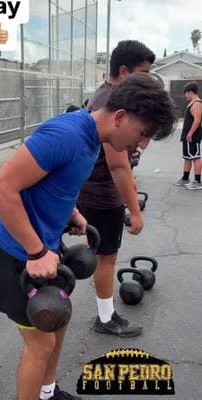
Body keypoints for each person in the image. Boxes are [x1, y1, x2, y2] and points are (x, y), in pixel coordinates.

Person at [0, 73, 176, 400]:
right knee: (40, 342)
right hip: (15, 254)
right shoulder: (66, 135)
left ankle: (47, 393)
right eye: (143, 134)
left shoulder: (93, 139)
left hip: (45, 248)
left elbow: (57, 184)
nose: (142, 145)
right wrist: (35, 251)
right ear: (119, 117)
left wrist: (70, 213)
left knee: (59, 322)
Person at [77, 40, 156, 338]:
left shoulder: (104, 94)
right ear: (124, 71)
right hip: (100, 193)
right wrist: (135, 211)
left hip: (90, 189)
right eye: (143, 72)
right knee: (107, 256)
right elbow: (117, 165)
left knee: (101, 253)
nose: (147, 78)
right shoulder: (112, 102)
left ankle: (104, 312)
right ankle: (106, 318)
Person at [173, 81, 202, 190]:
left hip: (193, 136)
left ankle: (198, 181)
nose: (185, 96)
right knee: (188, 157)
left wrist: (190, 133)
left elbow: (197, 121)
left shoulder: (197, 103)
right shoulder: (192, 103)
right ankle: (185, 178)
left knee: (196, 157)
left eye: (186, 93)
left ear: (190, 92)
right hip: (187, 136)